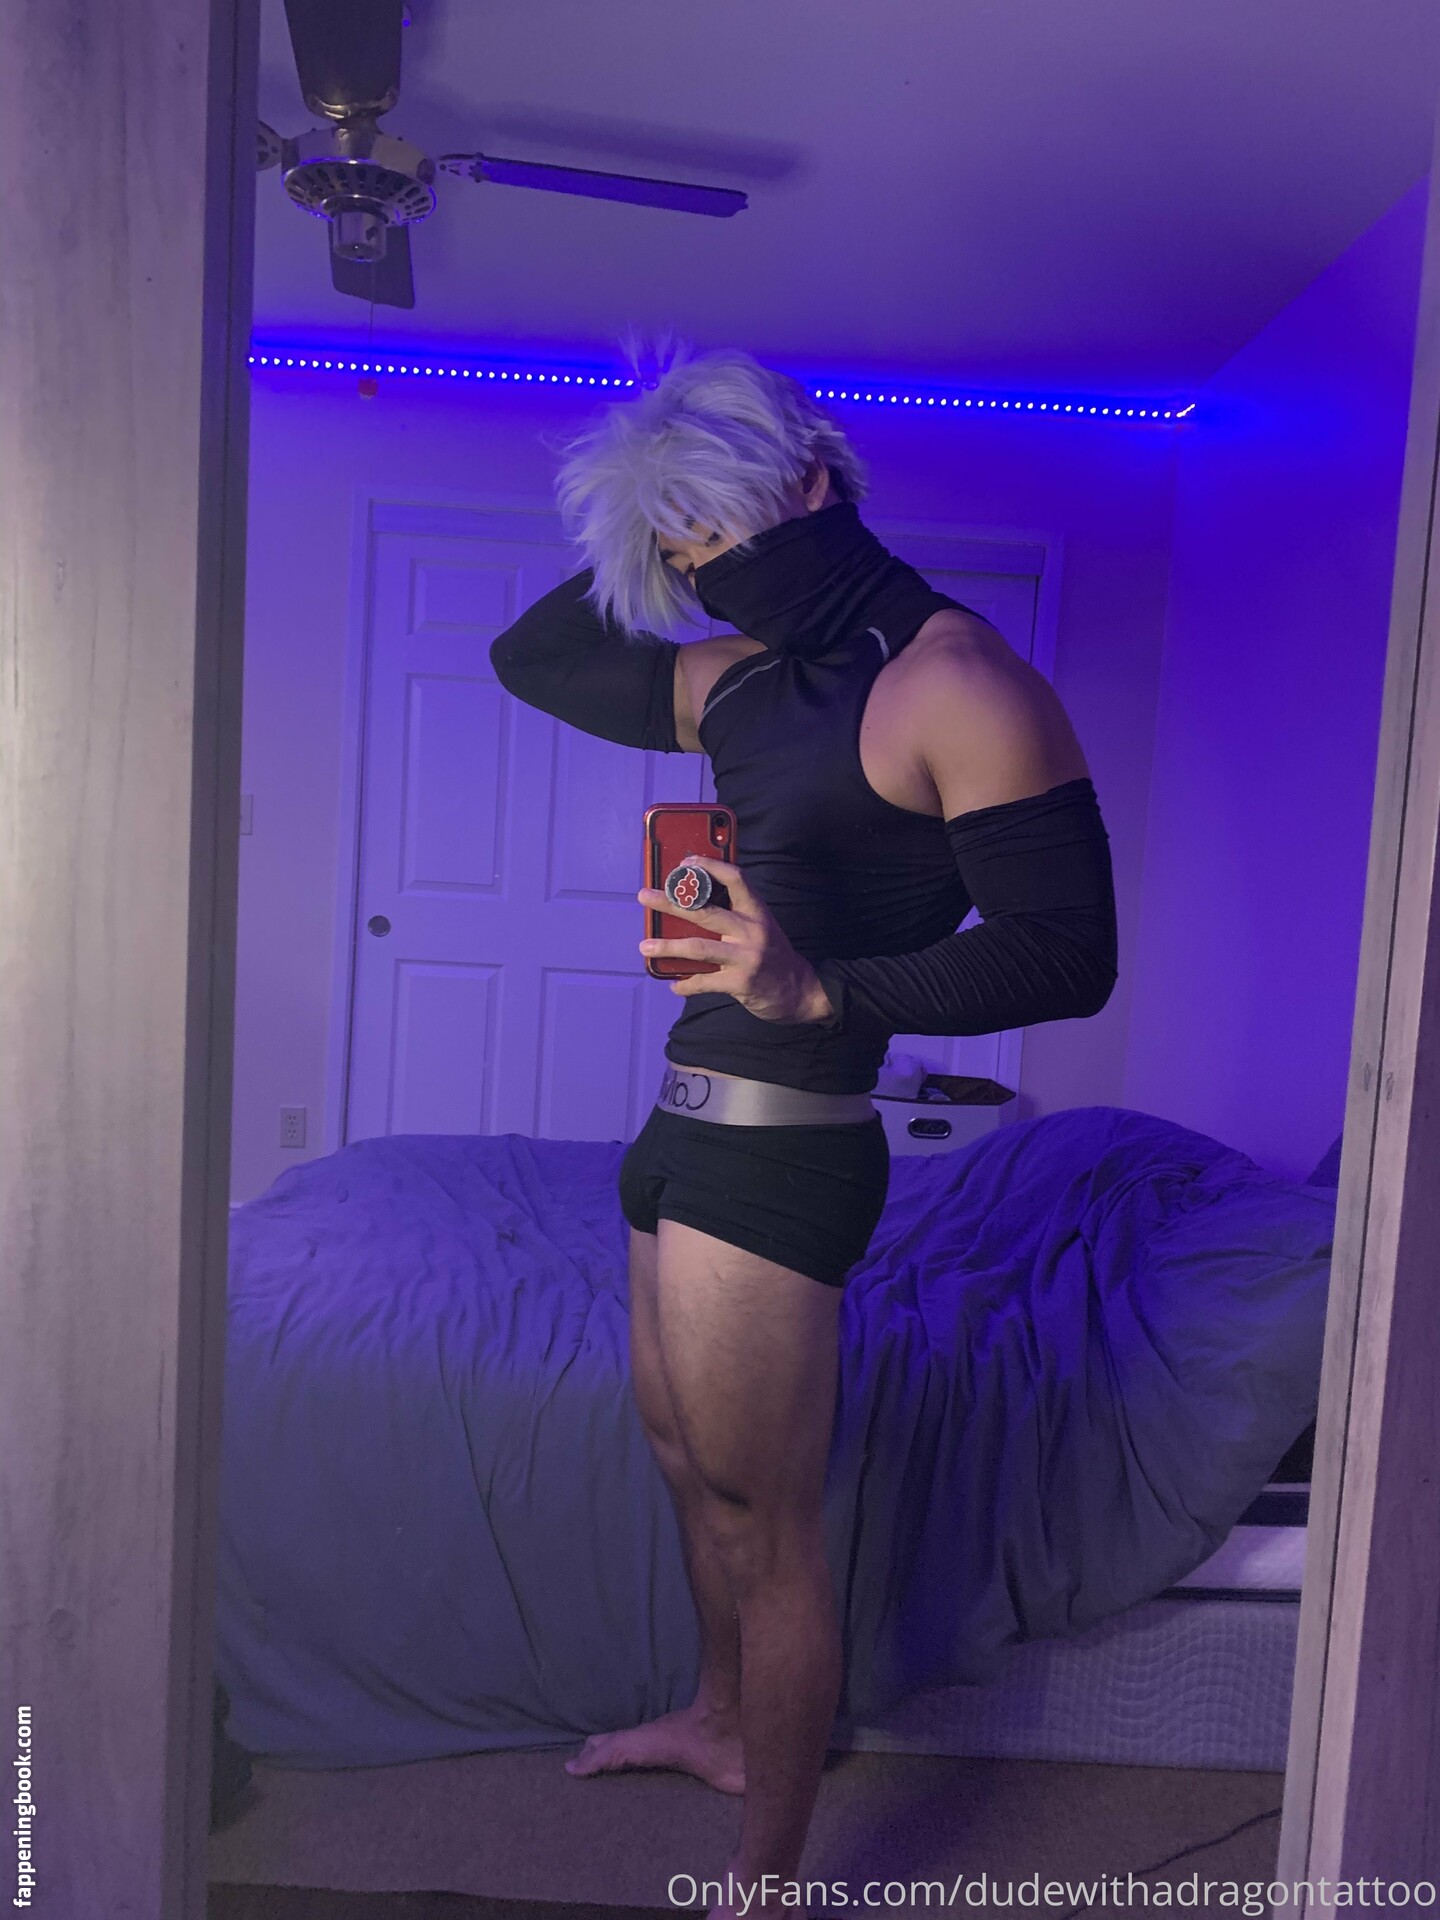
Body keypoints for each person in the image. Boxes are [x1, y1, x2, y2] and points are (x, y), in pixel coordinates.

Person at [489, 345, 1117, 1915]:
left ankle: (763, 1882)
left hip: (784, 1143)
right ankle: (716, 1724)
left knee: (765, 1522)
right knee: (684, 1464)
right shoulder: (740, 679)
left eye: (717, 534)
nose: (706, 576)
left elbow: (1069, 953)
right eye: (680, 552)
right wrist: (638, 513)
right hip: (677, 1129)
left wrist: (823, 987)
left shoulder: (956, 682)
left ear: (812, 487)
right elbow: (531, 654)